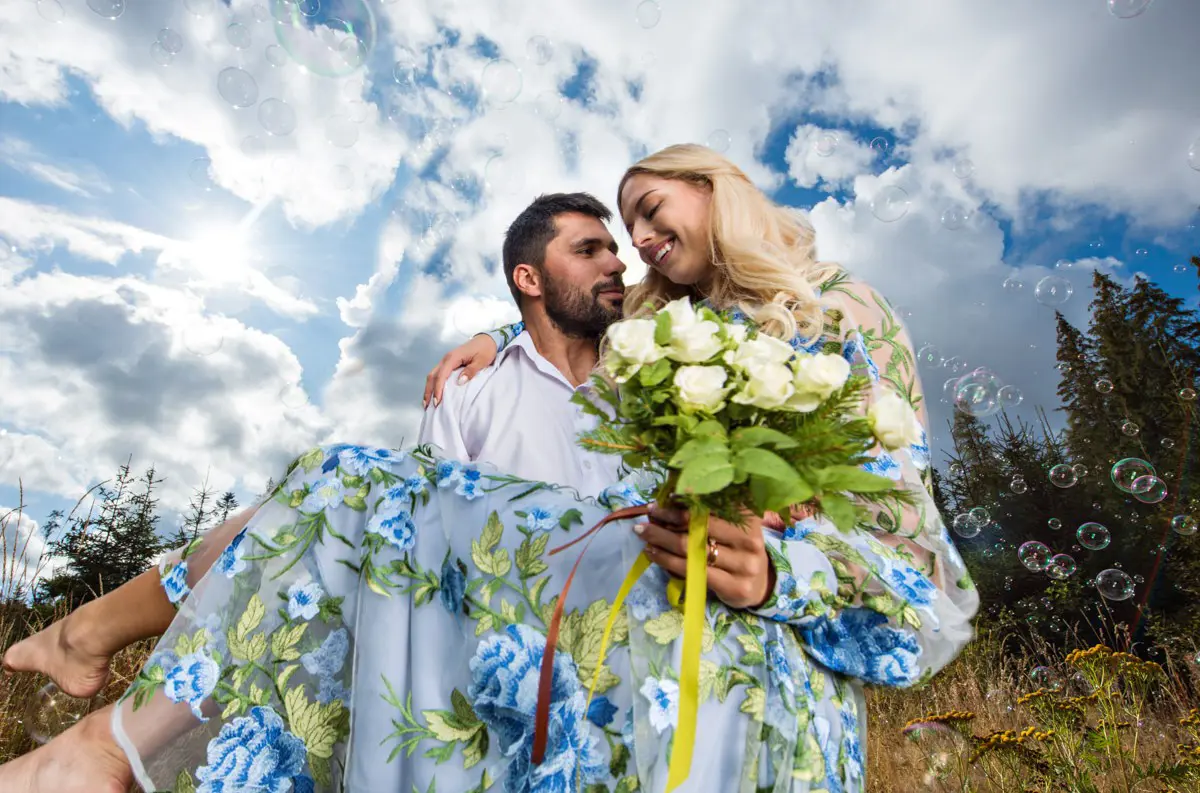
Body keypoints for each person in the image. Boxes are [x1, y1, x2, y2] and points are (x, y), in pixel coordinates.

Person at [0, 144, 978, 793]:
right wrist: (493, 339)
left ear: (716, 183)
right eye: (616, 232)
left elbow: (909, 571)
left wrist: (775, 572)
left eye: (643, 210)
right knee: (336, 496)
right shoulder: (647, 340)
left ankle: (100, 719)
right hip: (597, 603)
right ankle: (105, 738)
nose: (634, 239)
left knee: (334, 495)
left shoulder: (837, 311)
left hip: (743, 640)